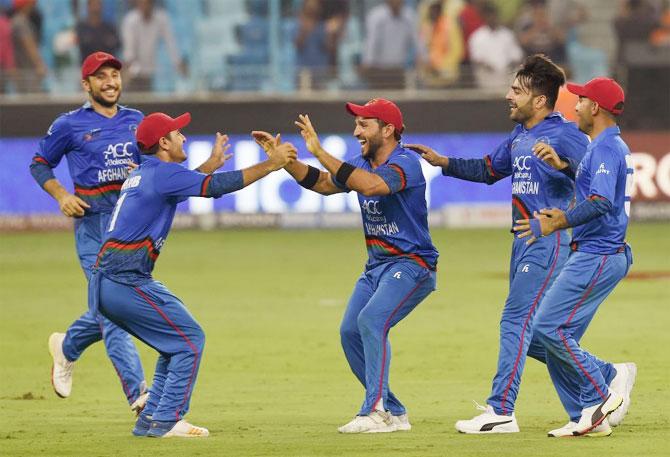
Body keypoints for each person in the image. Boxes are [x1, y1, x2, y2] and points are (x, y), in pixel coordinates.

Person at [405, 55, 631, 435]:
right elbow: (490, 170)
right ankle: (604, 378)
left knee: (516, 322)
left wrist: (564, 167)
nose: (508, 96)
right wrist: (443, 161)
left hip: (548, 240)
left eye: (516, 91)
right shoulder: (521, 135)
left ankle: (501, 410)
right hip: (523, 241)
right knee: (534, 335)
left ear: (539, 100)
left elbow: (594, 186)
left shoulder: (568, 136)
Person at [94, 112, 297, 437]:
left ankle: (153, 420)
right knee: (189, 340)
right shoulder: (162, 175)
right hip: (125, 279)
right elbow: (212, 188)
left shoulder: (149, 173)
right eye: (178, 133)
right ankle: (168, 420)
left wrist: (211, 164)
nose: (184, 137)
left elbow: (182, 186)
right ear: (163, 142)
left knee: (175, 342)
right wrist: (272, 164)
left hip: (110, 281)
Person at [253, 98, 438, 434]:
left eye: (364, 124)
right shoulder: (360, 161)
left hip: (413, 266)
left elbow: (371, 186)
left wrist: (319, 150)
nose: (356, 132)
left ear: (388, 129)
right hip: (377, 266)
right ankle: (394, 411)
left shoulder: (406, 162)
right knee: (350, 332)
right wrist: (284, 163)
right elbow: (325, 185)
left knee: (371, 320)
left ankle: (375, 410)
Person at [29, 52, 150, 414]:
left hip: (131, 226)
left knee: (115, 306)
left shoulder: (136, 120)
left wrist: (141, 169)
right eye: (102, 77)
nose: (110, 82)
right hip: (94, 226)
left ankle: (67, 347)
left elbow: (153, 165)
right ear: (87, 85)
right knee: (114, 310)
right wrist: (62, 194)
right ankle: (140, 395)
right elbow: (39, 163)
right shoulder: (68, 124)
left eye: (115, 74)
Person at [514, 77, 636, 437]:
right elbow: (598, 188)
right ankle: (602, 387)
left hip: (597, 254)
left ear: (595, 108)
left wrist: (560, 221)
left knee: (549, 330)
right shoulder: (607, 146)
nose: (576, 106)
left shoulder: (604, 149)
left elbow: (600, 202)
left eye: (581, 100)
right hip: (594, 252)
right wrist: (564, 166)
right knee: (545, 337)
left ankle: (598, 399)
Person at [120, 0, 186, 91]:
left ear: (152, 3)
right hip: (134, 72)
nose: (144, 5)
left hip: (152, 72)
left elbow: (171, 43)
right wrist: (127, 70)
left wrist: (178, 63)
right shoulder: (130, 20)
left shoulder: (162, 18)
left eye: (147, 2)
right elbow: (129, 50)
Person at [361, 0, 424, 89]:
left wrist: (423, 58)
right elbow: (371, 42)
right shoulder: (376, 16)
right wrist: (367, 63)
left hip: (399, 70)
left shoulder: (410, 16)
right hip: (378, 70)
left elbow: (418, 41)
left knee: (398, 101)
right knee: (379, 101)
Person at [468, 2, 523, 90]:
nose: (491, 18)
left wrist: (507, 68)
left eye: (493, 15)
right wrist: (492, 69)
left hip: (507, 81)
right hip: (486, 81)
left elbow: (517, 55)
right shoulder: (477, 37)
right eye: (489, 16)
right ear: (484, 17)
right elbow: (476, 59)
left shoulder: (507, 34)